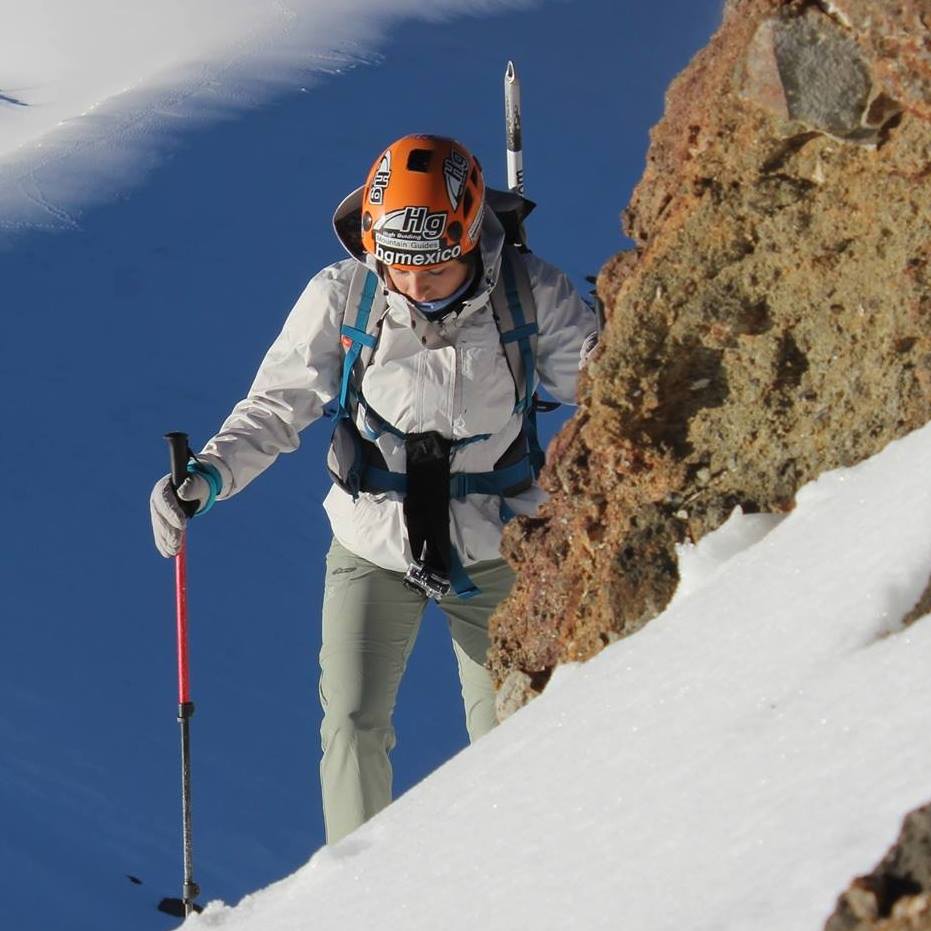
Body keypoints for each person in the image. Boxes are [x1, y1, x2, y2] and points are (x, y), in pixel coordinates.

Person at [150, 134, 595, 844]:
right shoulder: (344, 293)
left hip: (496, 539)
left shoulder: (529, 291)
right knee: (352, 723)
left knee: (511, 727)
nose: (414, 284)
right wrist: (208, 475)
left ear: (472, 234)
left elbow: (600, 385)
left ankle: (517, 883)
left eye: (435, 268)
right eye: (398, 266)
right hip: (371, 541)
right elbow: (277, 404)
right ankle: (355, 904)